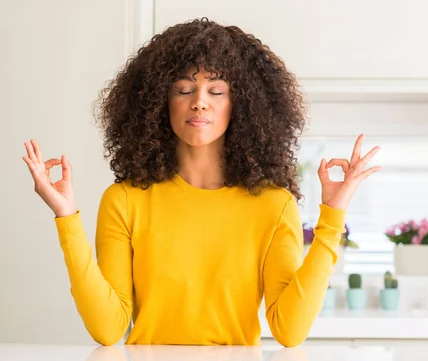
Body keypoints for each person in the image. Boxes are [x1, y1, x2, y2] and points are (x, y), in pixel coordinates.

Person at [22, 17, 381, 347]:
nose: (199, 103)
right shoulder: (124, 200)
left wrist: (333, 215)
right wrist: (67, 217)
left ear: (240, 104)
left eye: (216, 91)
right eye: (183, 90)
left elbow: (290, 331)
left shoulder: (274, 205)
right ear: (160, 103)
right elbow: (107, 328)